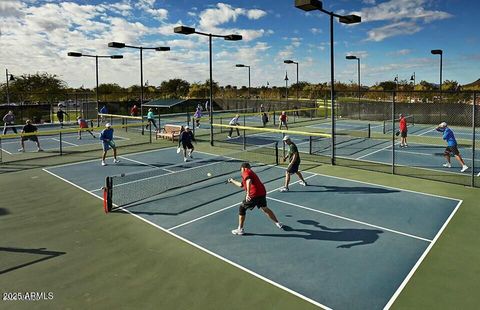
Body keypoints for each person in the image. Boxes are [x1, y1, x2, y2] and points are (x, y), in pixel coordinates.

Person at [227, 162, 283, 235]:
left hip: (254, 194)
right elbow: (241, 185)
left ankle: (240, 229)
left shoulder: (245, 171)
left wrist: (247, 194)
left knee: (242, 208)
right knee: (265, 208)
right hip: (262, 192)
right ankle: (278, 223)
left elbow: (248, 181)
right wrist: (232, 181)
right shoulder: (250, 172)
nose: (241, 171)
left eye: (241, 170)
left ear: (243, 168)